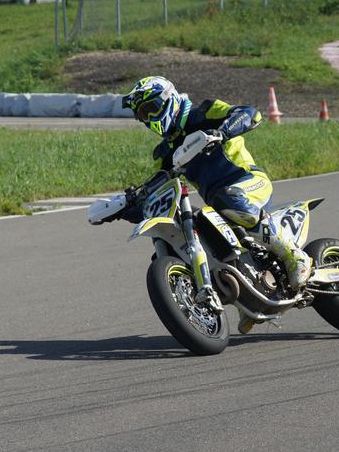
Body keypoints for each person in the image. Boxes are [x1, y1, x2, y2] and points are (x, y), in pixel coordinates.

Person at [121, 76, 313, 293]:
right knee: (186, 226)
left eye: (151, 109)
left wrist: (222, 132)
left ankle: (294, 255)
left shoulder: (206, 111)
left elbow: (250, 114)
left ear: (169, 99)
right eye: (142, 115)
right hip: (217, 205)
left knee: (227, 197)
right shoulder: (163, 153)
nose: (149, 119)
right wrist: (127, 207)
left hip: (249, 182)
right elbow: (159, 189)